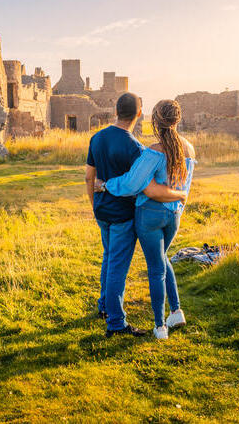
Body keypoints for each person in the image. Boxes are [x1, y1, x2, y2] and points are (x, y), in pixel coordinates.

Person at [85, 93, 188, 338]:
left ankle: (104, 306)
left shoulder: (97, 138)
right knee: (118, 268)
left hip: (102, 209)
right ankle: (116, 322)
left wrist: (94, 203)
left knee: (109, 258)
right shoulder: (135, 148)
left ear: (115, 109)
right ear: (139, 114)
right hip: (122, 213)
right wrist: (180, 195)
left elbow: (89, 176)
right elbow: (148, 187)